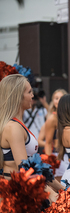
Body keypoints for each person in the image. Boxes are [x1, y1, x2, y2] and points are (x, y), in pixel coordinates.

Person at [0, 74, 63, 203]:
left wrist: (62, 189)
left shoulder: (18, 124)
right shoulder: (13, 127)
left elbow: (33, 167)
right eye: (29, 92)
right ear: (17, 96)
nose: (33, 96)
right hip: (18, 193)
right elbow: (25, 169)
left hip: (25, 189)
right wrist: (52, 195)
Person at [44, 89, 68, 182]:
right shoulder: (52, 118)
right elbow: (48, 142)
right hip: (58, 157)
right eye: (56, 98)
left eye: (60, 98)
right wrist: (50, 162)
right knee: (60, 188)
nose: (58, 101)